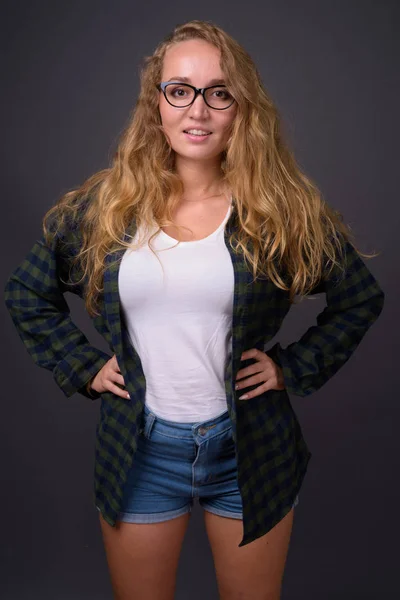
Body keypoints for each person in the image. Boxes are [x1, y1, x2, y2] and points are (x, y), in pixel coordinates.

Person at [4, 19, 384, 600]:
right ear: (155, 103)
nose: (197, 111)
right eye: (179, 90)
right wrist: (81, 366)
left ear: (242, 108)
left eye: (219, 93)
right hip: (141, 452)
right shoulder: (105, 208)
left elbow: (359, 297)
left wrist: (293, 366)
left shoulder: (279, 209)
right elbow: (27, 292)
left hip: (249, 448)